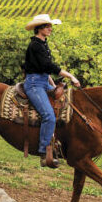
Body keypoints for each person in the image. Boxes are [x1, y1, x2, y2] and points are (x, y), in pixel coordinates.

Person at [23, 13, 80, 169]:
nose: (50, 29)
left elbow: (45, 69)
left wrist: (53, 85)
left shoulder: (42, 43)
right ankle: (43, 152)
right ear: (39, 28)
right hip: (34, 84)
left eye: (50, 26)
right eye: (47, 26)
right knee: (48, 116)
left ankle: (57, 143)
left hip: (42, 81)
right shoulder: (35, 45)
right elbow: (49, 66)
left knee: (65, 103)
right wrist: (70, 76)